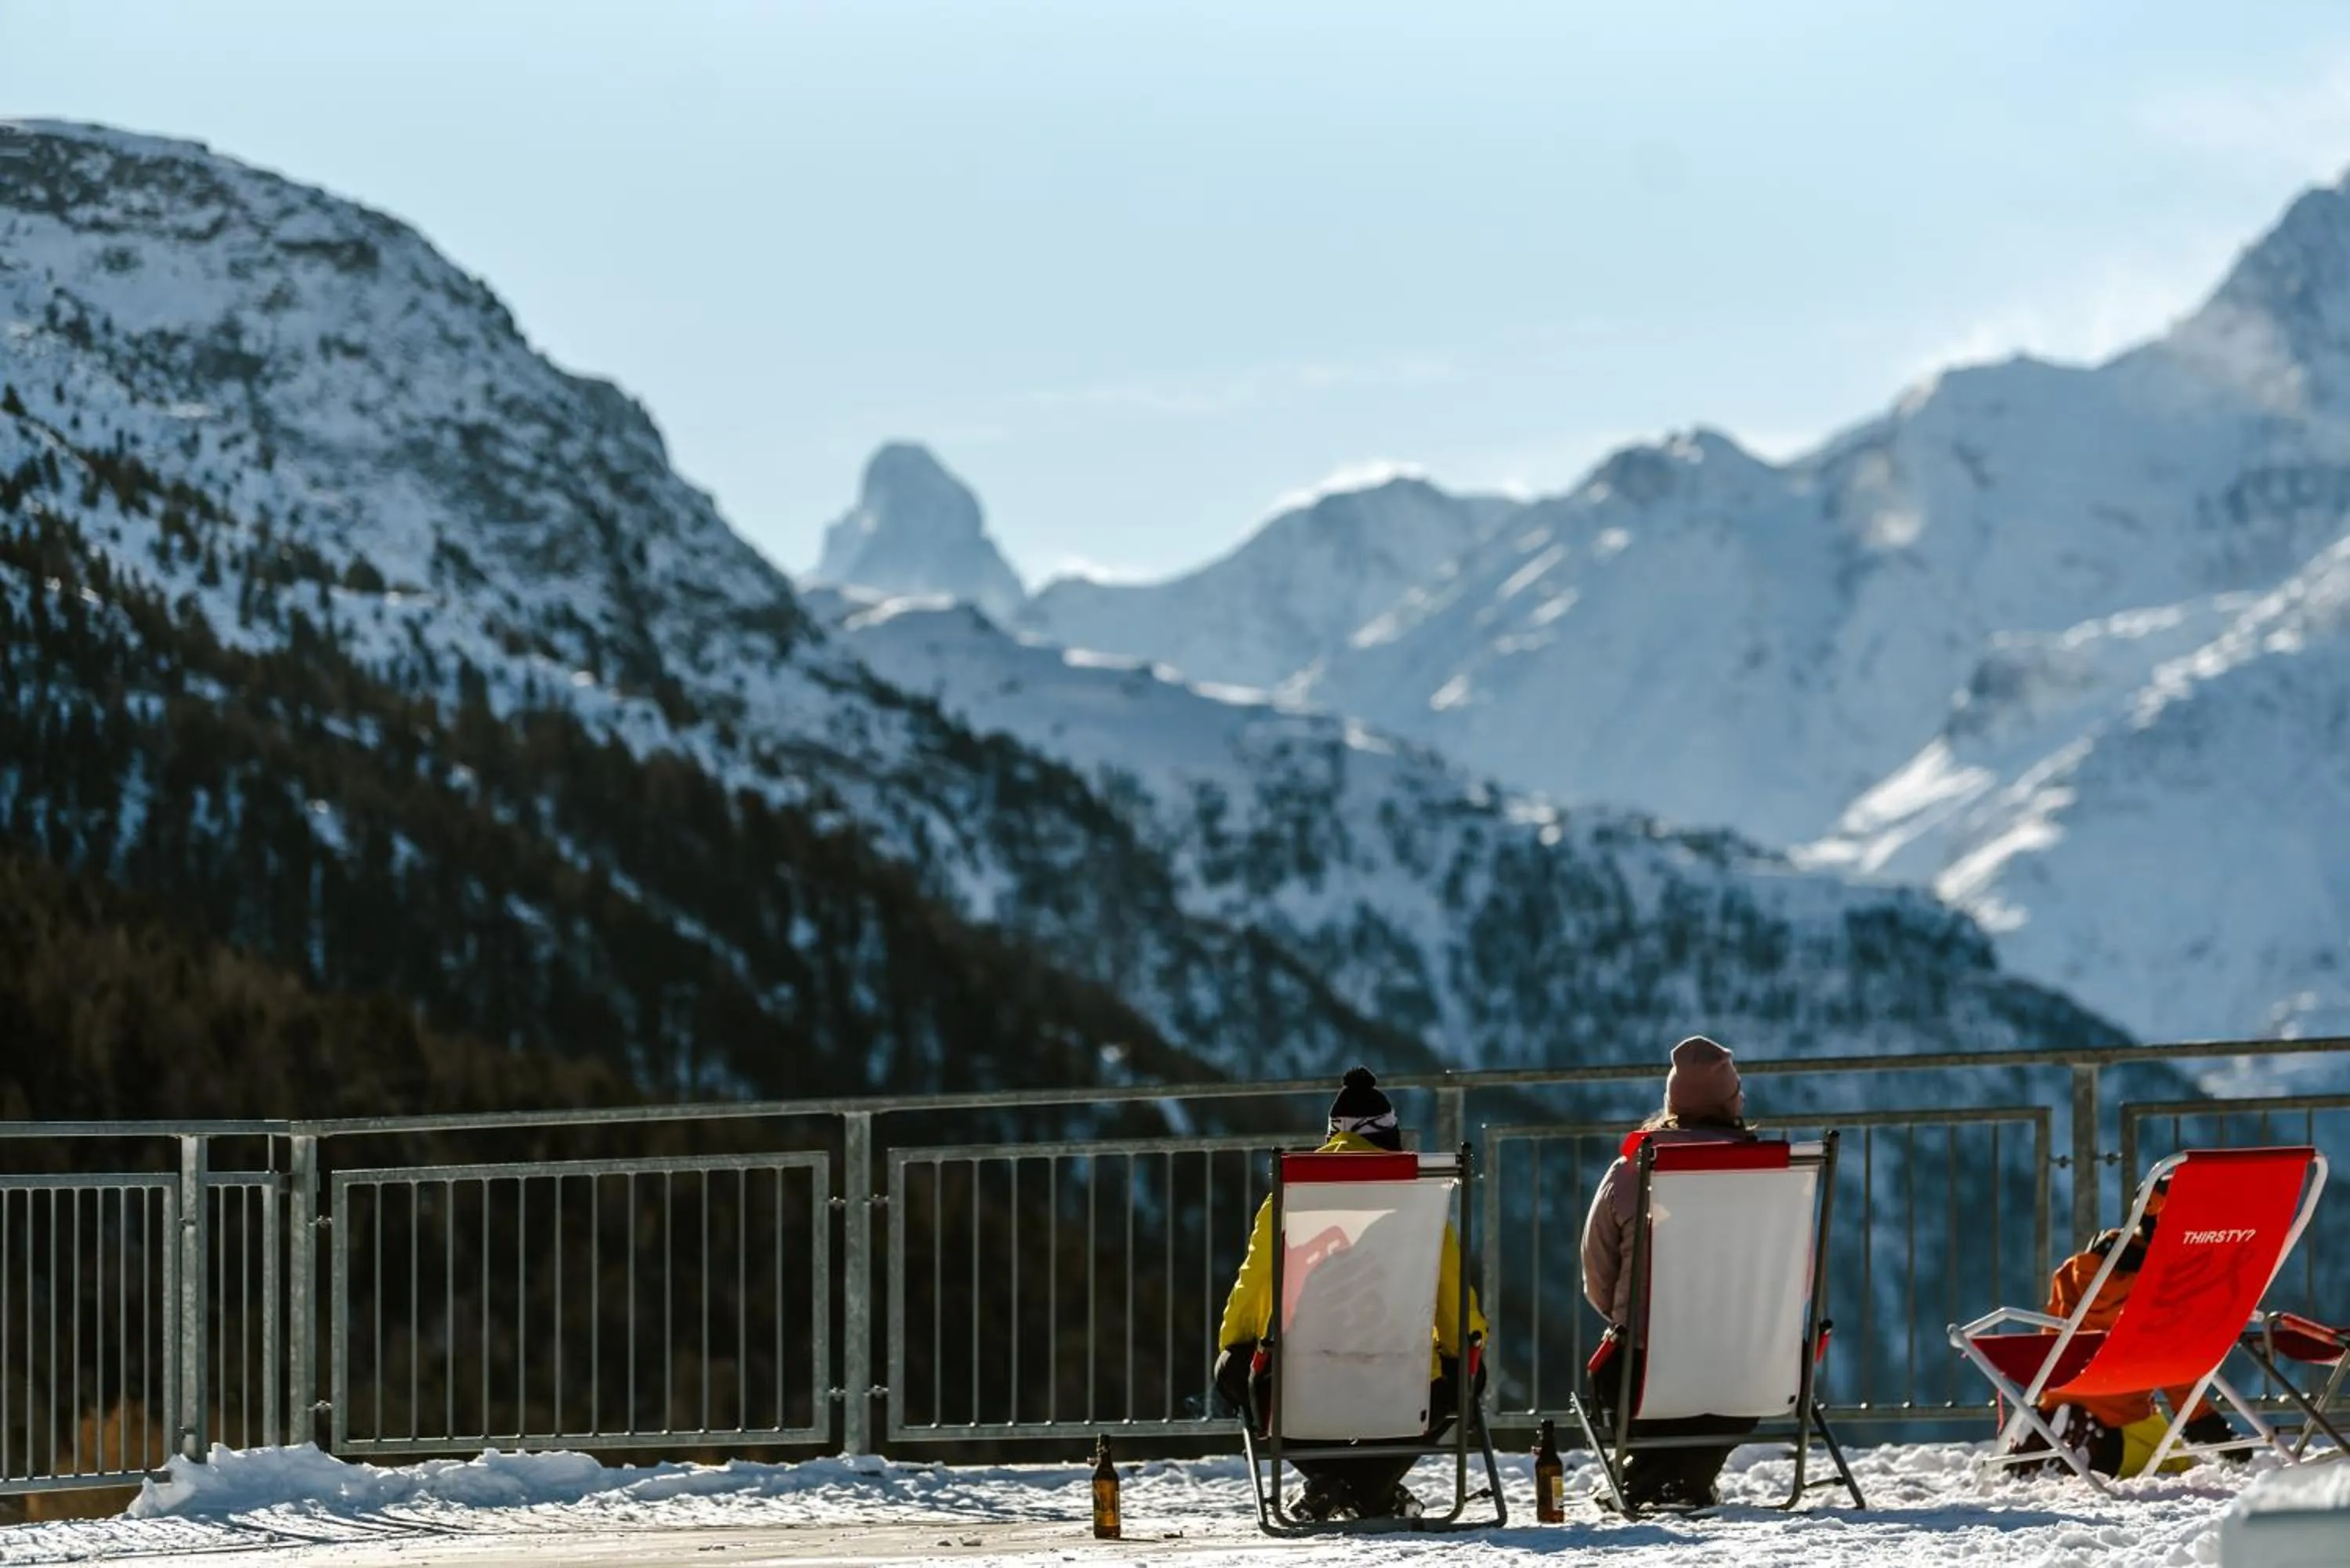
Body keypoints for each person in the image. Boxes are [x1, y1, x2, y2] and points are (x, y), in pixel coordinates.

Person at [1213, 1066, 1486, 1521]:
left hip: (1298, 1383)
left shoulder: (1289, 1195)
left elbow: (1255, 1286)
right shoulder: (1421, 1202)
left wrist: (1237, 1349)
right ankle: (1370, 1489)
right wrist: (1465, 1353)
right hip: (1402, 1380)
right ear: (1391, 1137)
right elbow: (1456, 1305)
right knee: (1465, 1377)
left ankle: (1333, 1484)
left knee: (1233, 1372)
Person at [1578, 1035, 1759, 1512]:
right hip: (1745, 1373)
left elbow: (1597, 1272)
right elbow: (1794, 1283)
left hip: (1640, 1374)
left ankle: (1650, 1478)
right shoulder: (1767, 1176)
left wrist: (1628, 1323)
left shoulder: (1629, 1172)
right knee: (1737, 1373)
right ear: (1730, 1102)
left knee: (1627, 1380)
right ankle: (1681, 1479)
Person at [2008, 1172, 2236, 1478]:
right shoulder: (2171, 1288)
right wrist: (2202, 1421)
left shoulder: (2076, 1272)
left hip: (2064, 1389)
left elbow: (2052, 1339)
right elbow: (2173, 1366)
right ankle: (2095, 1445)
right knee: (2174, 1462)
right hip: (2125, 1414)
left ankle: (2053, 1428)